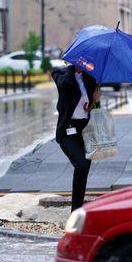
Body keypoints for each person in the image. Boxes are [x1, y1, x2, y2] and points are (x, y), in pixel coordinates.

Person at [52, 64, 101, 211]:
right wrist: (73, 70)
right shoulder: (60, 73)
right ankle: (76, 209)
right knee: (81, 164)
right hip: (67, 130)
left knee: (84, 169)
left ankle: (77, 209)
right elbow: (65, 85)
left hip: (84, 129)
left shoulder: (90, 78)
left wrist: (95, 99)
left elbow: (88, 108)